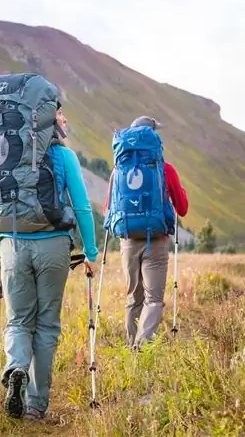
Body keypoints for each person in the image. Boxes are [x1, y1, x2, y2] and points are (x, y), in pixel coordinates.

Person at [0, 104, 99, 421]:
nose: (65, 118)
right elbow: (82, 207)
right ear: (47, 120)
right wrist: (92, 253)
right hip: (54, 246)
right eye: (60, 114)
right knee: (46, 325)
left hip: (12, 244)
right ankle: (35, 406)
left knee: (18, 321)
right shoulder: (65, 156)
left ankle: (15, 367)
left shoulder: (8, 152)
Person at [102, 115, 188, 350]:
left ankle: (132, 347)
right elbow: (182, 208)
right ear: (154, 138)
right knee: (154, 299)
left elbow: (107, 208)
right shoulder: (165, 169)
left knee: (133, 297)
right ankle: (143, 347)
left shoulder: (118, 170)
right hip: (156, 240)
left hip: (128, 240)